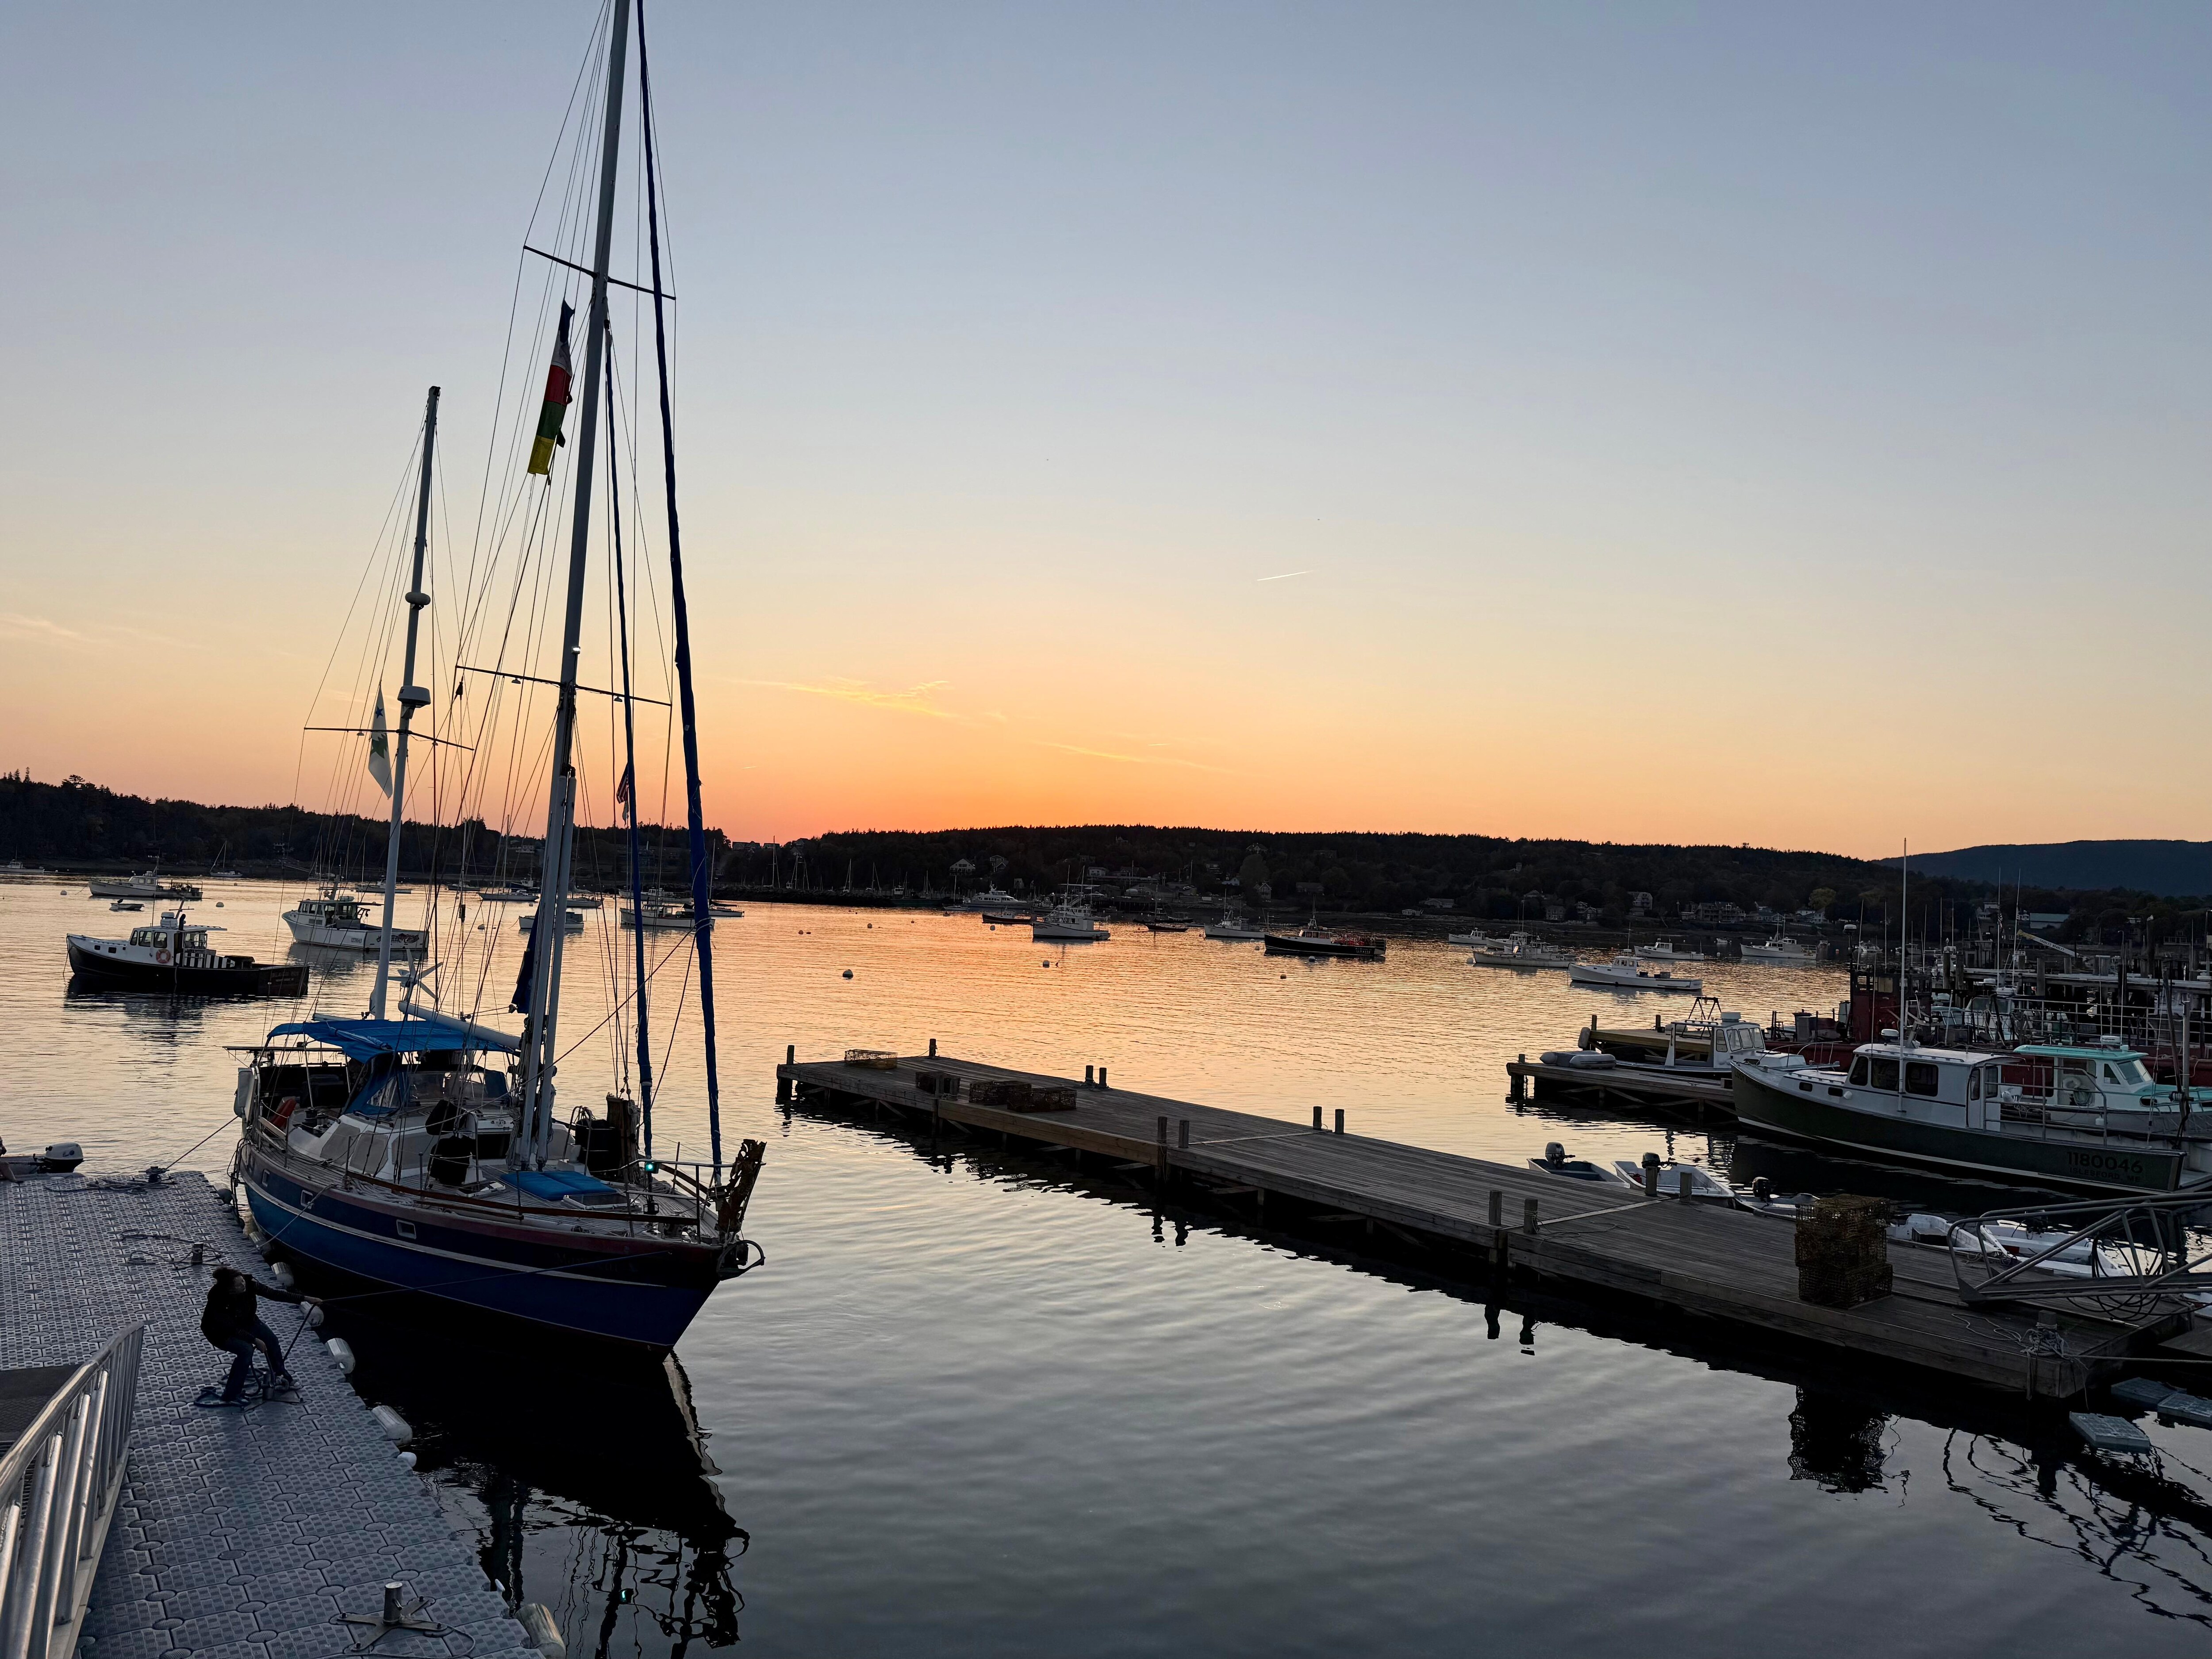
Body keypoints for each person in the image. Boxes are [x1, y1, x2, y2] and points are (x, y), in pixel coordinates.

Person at [199, 1265, 319, 1406]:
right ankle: (231, 1395)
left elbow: (274, 1294)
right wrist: (255, 1340)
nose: (243, 1285)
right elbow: (231, 1328)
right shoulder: (218, 1299)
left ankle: (279, 1375)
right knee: (246, 1350)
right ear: (231, 1289)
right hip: (219, 1332)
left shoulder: (250, 1285)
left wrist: (305, 1298)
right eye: (239, 1285)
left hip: (247, 1321)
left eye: (243, 1281)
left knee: (271, 1340)